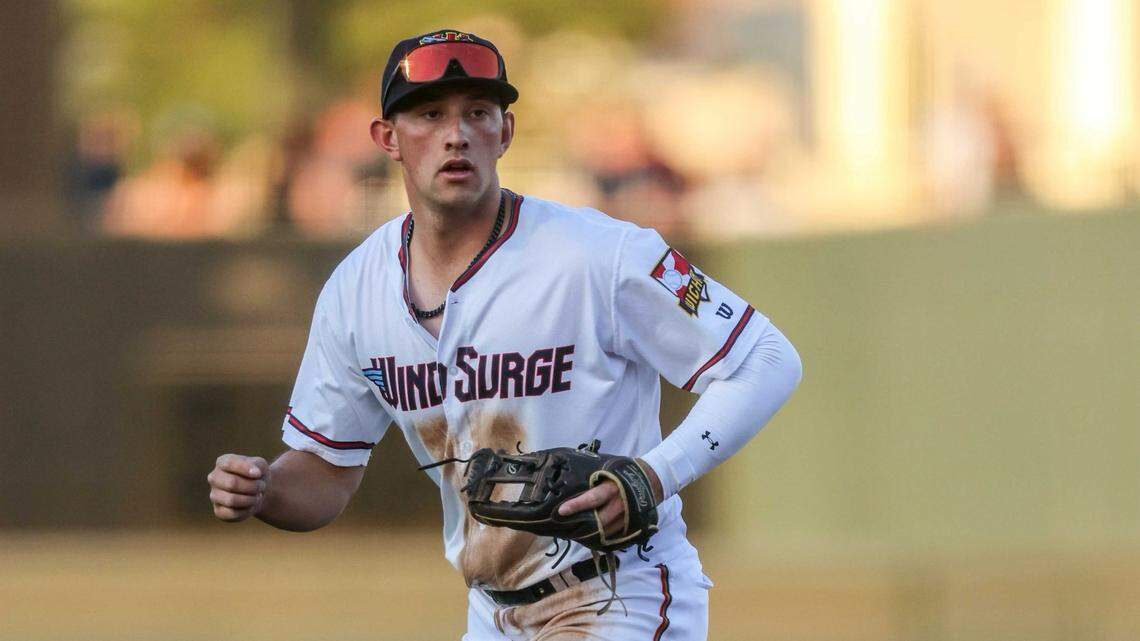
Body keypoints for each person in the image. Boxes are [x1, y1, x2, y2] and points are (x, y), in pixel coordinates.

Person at [206, 29, 802, 641]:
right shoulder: (355, 290)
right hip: (493, 613)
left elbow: (767, 358)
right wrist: (266, 489)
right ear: (387, 138)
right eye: (429, 114)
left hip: (622, 591)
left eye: (478, 113)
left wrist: (654, 475)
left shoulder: (602, 255)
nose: (456, 133)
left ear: (506, 132)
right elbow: (327, 472)